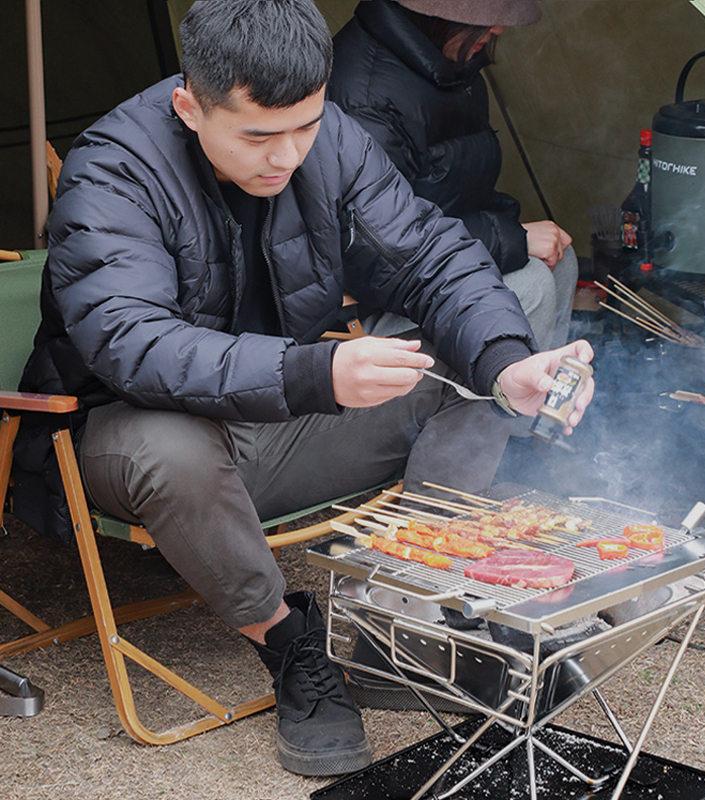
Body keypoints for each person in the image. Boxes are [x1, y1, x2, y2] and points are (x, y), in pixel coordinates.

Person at [13, 0, 593, 778]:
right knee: (167, 446)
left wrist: (506, 360)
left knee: (464, 379)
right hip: (121, 436)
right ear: (190, 105)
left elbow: (428, 251)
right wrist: (316, 372)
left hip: (274, 416)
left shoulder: (330, 136)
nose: (286, 155)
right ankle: (293, 649)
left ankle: (405, 626)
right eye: (258, 135)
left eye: (306, 128)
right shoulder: (113, 168)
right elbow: (131, 344)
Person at [329, 0, 578, 351]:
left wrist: (512, 236)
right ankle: (504, 401)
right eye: (488, 16)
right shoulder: (365, 96)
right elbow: (375, 254)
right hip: (371, 297)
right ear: (438, 12)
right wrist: (514, 239)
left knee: (559, 262)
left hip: (434, 258)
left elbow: (456, 196)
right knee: (530, 286)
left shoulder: (447, 65)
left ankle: (548, 401)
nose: (498, 29)